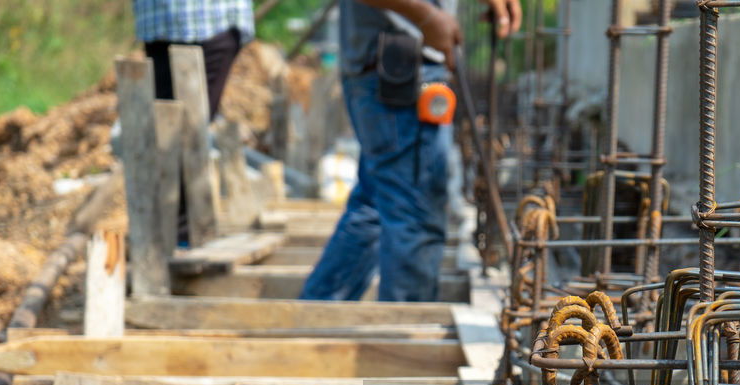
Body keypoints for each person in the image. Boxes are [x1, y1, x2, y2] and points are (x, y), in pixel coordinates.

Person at [300, 0, 521, 302]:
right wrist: (427, 15)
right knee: (414, 218)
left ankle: (315, 318)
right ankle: (407, 338)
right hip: (399, 70)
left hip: (390, 66)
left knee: (377, 206)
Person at [132, 0, 255, 244]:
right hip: (159, 21)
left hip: (214, 18)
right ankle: (171, 234)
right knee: (166, 131)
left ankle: (182, 233)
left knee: (192, 131)